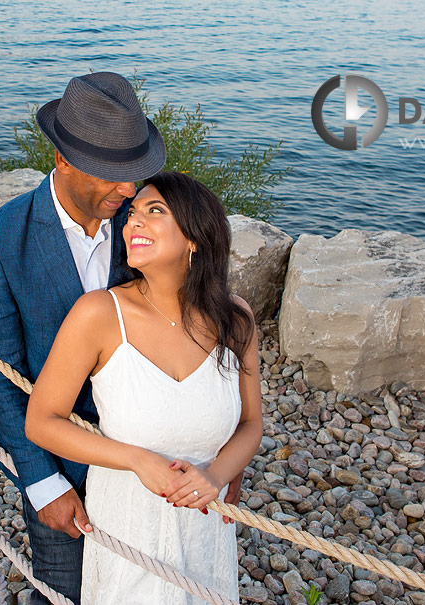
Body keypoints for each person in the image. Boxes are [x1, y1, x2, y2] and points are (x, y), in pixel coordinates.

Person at [0, 71, 167, 604]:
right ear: (62, 160)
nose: (129, 190)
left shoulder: (146, 222)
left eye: (135, 173)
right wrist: (43, 483)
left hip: (155, 455)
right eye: (114, 175)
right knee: (65, 594)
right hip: (61, 466)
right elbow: (4, 378)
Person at [25, 171, 263, 604]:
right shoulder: (98, 314)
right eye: (133, 213)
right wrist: (137, 460)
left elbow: (251, 424)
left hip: (204, 531)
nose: (134, 222)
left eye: (155, 212)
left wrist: (217, 474)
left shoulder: (237, 321)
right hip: (126, 530)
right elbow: (42, 422)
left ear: (195, 237)